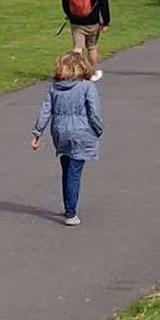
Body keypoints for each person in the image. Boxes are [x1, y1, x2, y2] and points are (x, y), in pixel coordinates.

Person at [32, 51, 105, 226]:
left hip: (60, 131)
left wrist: (37, 133)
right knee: (74, 171)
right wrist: (98, 130)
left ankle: (68, 205)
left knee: (67, 168)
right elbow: (94, 113)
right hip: (81, 131)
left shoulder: (54, 87)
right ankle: (71, 212)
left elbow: (45, 111)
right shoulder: (87, 86)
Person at [63, 0, 110, 66]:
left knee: (78, 48)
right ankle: (92, 72)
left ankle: (74, 71)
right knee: (92, 47)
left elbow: (65, 1)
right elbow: (104, 4)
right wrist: (106, 21)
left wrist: (69, 14)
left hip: (76, 21)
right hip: (92, 22)